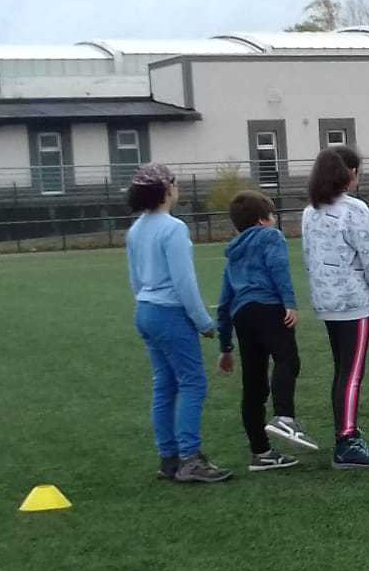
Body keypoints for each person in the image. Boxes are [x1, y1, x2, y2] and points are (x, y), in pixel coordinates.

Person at [125, 163, 231, 483]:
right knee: (192, 383)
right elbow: (184, 282)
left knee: (164, 384)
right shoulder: (173, 228)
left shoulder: (135, 230)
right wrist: (203, 322)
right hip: (170, 313)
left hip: (146, 310)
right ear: (166, 189)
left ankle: (169, 458)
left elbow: (135, 279)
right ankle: (190, 457)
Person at [301, 146, 369, 470]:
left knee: (342, 371)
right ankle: (347, 440)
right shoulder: (355, 209)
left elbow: (308, 256)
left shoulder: (310, 211)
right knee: (352, 373)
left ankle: (346, 430)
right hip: (352, 302)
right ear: (349, 172)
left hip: (327, 301)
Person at [214, 190, 313, 472]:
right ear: (262, 220)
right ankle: (284, 417)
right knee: (287, 359)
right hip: (269, 307)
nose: (275, 220)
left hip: (242, 316)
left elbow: (224, 302)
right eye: (273, 216)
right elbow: (278, 268)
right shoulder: (271, 236)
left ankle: (261, 452)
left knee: (253, 385)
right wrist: (289, 303)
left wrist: (225, 347)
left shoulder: (233, 254)